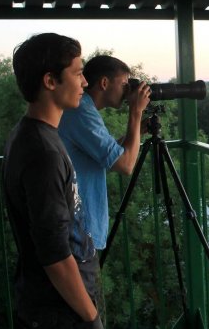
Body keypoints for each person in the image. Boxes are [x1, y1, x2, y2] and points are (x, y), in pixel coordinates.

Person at [3, 33, 102, 328]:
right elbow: (55, 256)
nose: (85, 82)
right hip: (59, 313)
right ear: (50, 81)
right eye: (77, 73)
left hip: (51, 306)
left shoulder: (31, 134)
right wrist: (92, 319)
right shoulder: (43, 153)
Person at [58, 55, 150, 317]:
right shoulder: (82, 112)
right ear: (104, 83)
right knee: (91, 312)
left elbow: (105, 156)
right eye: (124, 84)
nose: (127, 91)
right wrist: (135, 113)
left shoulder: (83, 110)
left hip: (77, 227)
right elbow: (125, 165)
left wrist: (136, 131)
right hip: (80, 231)